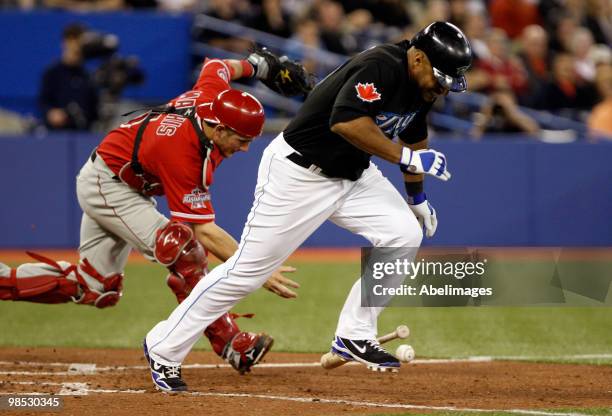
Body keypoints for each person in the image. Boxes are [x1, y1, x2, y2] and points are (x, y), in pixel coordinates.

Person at [143, 21, 471, 391]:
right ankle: (163, 347)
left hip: (353, 175)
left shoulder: (422, 86)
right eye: (442, 77)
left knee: (404, 232)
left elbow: (414, 134)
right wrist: (408, 159)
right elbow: (346, 123)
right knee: (245, 273)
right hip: (299, 173)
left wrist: (417, 198)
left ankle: (354, 333)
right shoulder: (380, 66)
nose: (444, 87)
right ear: (418, 57)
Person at [1, 54, 302, 385]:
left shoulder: (211, 97)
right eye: (242, 140)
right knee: (183, 249)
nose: (245, 149)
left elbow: (216, 66)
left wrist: (257, 66)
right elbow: (204, 231)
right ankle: (230, 342)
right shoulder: (182, 151)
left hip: (122, 182)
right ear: (218, 128)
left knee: (97, 288)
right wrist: (259, 269)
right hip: (108, 185)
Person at [39, 23, 99, 130]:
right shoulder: (52, 73)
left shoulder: (89, 76)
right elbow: (44, 102)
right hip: (57, 134)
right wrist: (51, 113)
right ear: (65, 43)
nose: (75, 47)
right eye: (72, 41)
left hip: (85, 134)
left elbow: (94, 109)